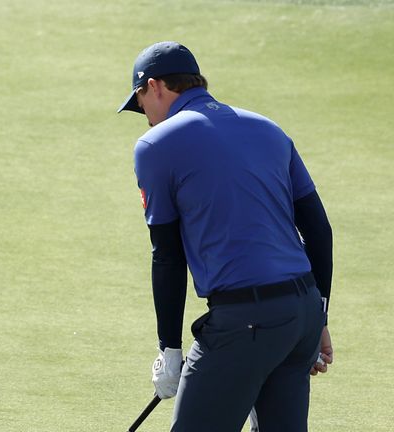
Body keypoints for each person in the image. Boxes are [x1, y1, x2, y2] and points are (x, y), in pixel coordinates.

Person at [117, 41, 334, 431]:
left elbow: (167, 253)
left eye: (140, 103)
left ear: (155, 87)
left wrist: (169, 348)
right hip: (300, 315)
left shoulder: (155, 145)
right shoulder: (268, 128)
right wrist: (319, 316)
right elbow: (318, 229)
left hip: (246, 324)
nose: (146, 118)